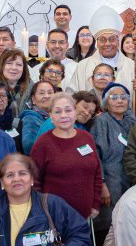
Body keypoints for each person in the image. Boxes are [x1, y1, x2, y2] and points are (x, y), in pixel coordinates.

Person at [30, 93, 103, 221]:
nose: (64, 115)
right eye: (58, 111)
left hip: (84, 216)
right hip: (54, 217)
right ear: (51, 117)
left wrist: (96, 203)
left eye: (68, 110)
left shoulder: (86, 137)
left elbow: (96, 172)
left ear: (75, 113)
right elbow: (34, 182)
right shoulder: (43, 143)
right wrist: (42, 211)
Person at [91, 83, 136, 246]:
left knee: (129, 223)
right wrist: (102, 184)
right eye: (114, 97)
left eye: (124, 97)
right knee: (108, 223)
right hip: (110, 180)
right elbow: (95, 154)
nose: (120, 101)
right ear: (105, 102)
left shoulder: (132, 121)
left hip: (130, 178)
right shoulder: (101, 122)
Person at [69, 24, 136, 102]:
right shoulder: (83, 65)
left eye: (112, 39)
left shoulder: (132, 65)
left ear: (118, 42)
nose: (107, 44)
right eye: (102, 40)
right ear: (97, 43)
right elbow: (71, 95)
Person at [0, 49, 32, 118]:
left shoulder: (32, 87)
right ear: (2, 66)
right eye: (9, 63)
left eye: (19, 65)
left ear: (24, 68)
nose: (14, 68)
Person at [19, 81, 55, 154]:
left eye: (50, 93)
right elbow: (29, 147)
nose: (47, 96)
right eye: (42, 93)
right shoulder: (31, 118)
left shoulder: (59, 116)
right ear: (33, 99)